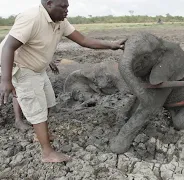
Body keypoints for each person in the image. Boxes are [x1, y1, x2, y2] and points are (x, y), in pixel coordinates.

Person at [0, 0, 126, 163]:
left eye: (67, 6)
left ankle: (40, 135)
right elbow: (8, 47)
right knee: (37, 110)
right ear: (49, 4)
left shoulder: (60, 22)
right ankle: (47, 153)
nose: (67, 10)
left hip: (37, 68)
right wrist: (6, 79)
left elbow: (84, 41)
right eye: (63, 6)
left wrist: (111, 45)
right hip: (21, 67)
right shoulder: (31, 18)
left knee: (49, 103)